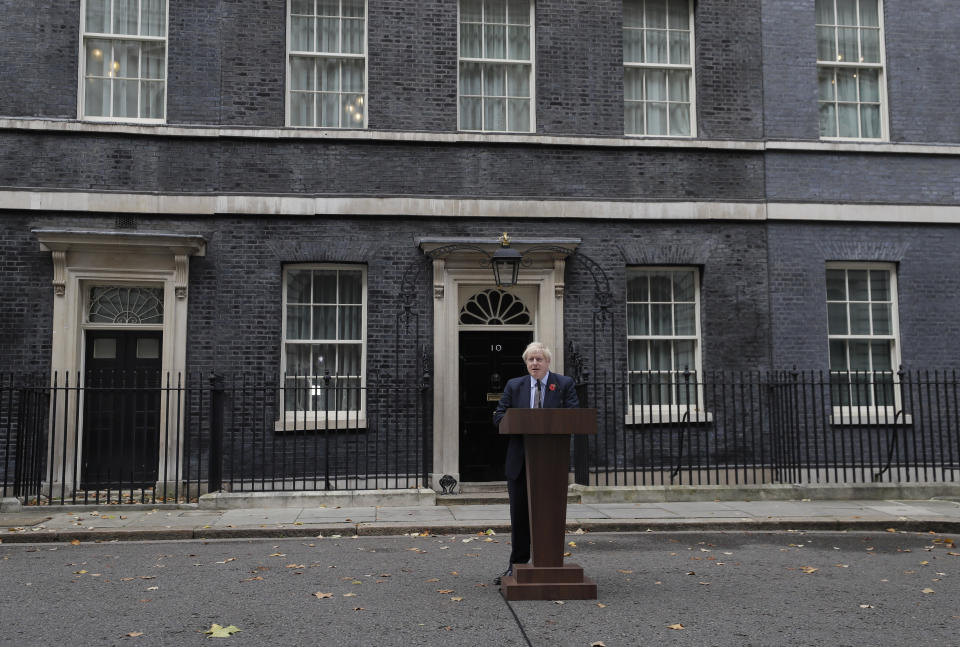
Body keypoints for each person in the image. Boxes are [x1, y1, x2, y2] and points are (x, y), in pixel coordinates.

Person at [492, 341, 579, 585]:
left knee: (549, 515)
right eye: (530, 359)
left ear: (548, 362)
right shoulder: (514, 385)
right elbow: (500, 415)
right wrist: (514, 420)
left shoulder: (563, 384)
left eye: (539, 359)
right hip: (520, 462)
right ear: (525, 363)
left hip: (552, 463)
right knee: (519, 517)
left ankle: (550, 565)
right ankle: (516, 566)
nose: (534, 363)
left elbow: (573, 415)